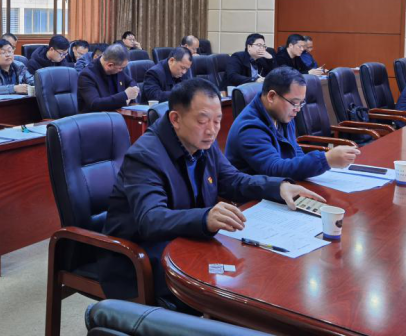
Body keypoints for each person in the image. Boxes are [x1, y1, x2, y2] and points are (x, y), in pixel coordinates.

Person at [100, 78, 325, 303]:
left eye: (217, 121)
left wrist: (278, 187)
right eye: (202, 121)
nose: (212, 130)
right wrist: (205, 218)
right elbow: (151, 219)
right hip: (142, 259)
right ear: (175, 119)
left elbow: (232, 180)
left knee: (258, 276)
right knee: (236, 296)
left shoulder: (202, 142)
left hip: (189, 242)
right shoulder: (145, 156)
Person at [225, 67, 360, 180]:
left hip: (281, 187)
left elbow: (295, 152)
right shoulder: (250, 128)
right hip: (255, 198)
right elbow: (273, 169)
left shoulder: (282, 113)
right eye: (295, 103)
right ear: (272, 96)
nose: (298, 109)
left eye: (301, 103)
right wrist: (325, 160)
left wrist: (308, 169)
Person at [77, 43, 138, 112]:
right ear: (110, 65)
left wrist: (130, 93)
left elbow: (131, 82)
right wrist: (125, 96)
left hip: (117, 113)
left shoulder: (116, 69)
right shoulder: (87, 75)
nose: (122, 70)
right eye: (121, 68)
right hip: (96, 116)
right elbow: (95, 104)